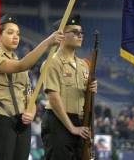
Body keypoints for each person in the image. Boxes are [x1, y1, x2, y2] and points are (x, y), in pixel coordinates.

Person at [0, 14, 64, 160]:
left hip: (22, 123)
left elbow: (30, 95)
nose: (15, 36)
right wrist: (47, 42)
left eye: (18, 34)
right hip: (1, 119)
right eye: (10, 33)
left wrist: (31, 112)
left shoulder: (19, 61)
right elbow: (22, 65)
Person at [41, 15, 97, 160]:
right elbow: (53, 97)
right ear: (62, 36)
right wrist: (72, 128)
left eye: (81, 32)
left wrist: (91, 89)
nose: (80, 35)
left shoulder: (84, 65)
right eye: (74, 32)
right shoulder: (53, 62)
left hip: (80, 122)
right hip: (58, 122)